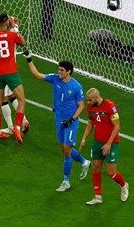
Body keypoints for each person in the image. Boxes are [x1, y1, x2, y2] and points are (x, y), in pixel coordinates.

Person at [22, 50, 91, 192]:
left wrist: (71, 120)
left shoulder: (76, 87)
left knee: (67, 151)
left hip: (71, 122)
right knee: (65, 150)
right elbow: (37, 75)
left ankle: (66, 181)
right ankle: (84, 162)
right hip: (59, 119)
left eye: (61, 70)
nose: (59, 72)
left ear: (69, 72)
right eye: (58, 69)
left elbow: (81, 106)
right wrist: (29, 59)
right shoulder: (55, 79)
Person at [79, 88, 129, 205]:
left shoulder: (110, 107)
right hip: (97, 142)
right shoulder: (90, 107)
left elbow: (117, 127)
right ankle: (97, 197)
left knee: (111, 172)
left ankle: (124, 185)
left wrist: (109, 143)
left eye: (90, 100)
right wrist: (84, 138)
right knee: (96, 168)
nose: (88, 102)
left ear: (96, 98)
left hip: (111, 143)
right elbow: (90, 123)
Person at [0, 13, 27, 144]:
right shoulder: (12, 34)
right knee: (21, 100)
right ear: (7, 22)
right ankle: (17, 127)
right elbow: (23, 42)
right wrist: (15, 27)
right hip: (11, 72)